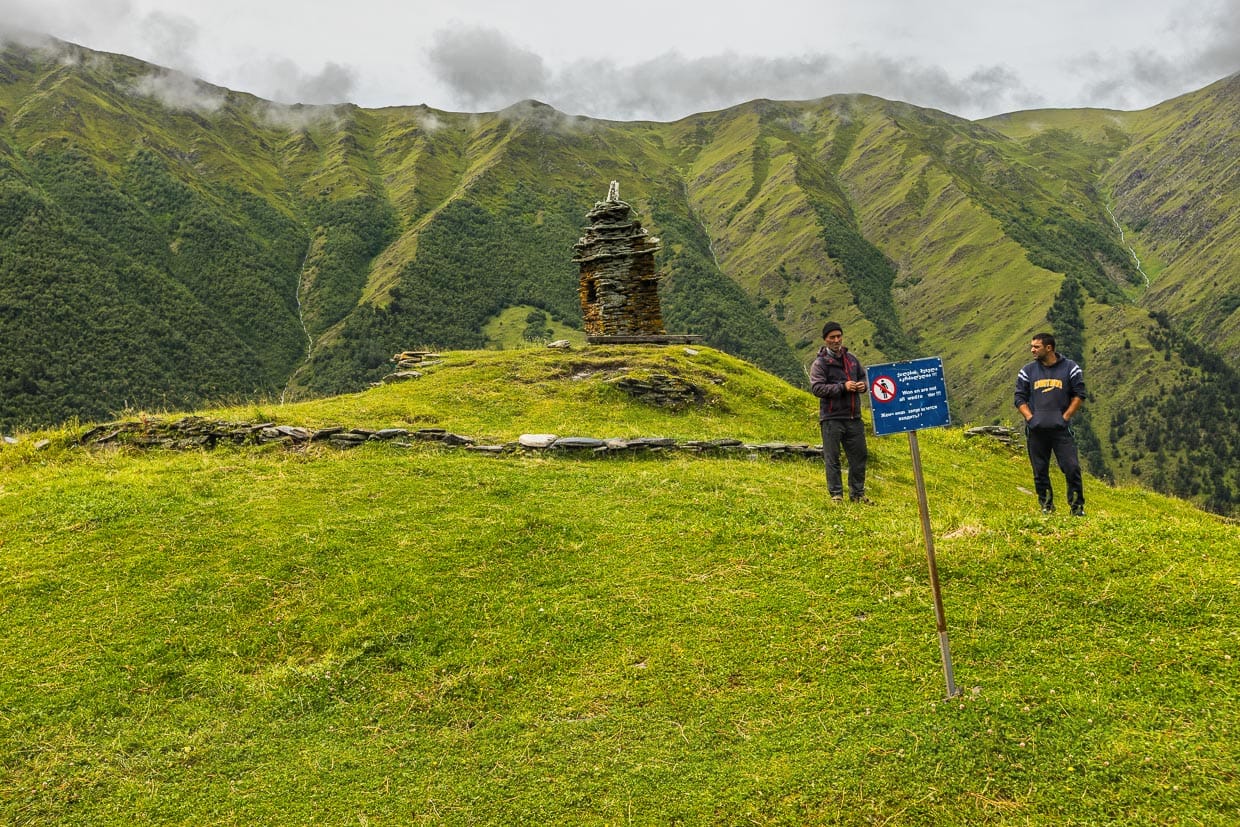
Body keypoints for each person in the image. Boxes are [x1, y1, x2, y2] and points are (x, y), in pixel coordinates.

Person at [1014, 332, 1087, 516]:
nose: (1032, 350)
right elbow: (1019, 397)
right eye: (1031, 346)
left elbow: (1079, 394)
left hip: (1061, 431)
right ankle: (1046, 506)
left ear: (1049, 348)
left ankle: (1077, 508)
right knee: (1040, 472)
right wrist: (1030, 418)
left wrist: (1065, 417)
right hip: (1036, 432)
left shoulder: (1070, 368)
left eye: (1036, 347)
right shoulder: (1027, 371)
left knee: (1072, 468)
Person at [810, 321, 871, 504]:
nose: (836, 340)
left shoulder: (851, 359)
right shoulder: (820, 363)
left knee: (859, 456)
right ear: (825, 340)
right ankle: (836, 495)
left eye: (838, 336)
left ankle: (858, 494)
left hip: (854, 417)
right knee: (832, 458)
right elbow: (817, 388)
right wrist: (842, 387)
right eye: (832, 337)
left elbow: (863, 377)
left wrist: (863, 386)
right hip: (831, 418)